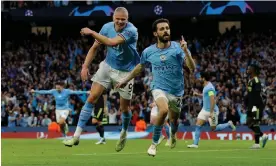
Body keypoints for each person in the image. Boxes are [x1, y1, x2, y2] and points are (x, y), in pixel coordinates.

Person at [63, 7, 140, 152]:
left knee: (124, 108)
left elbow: (112, 43)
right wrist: (85, 66)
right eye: (118, 18)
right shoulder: (106, 27)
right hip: (107, 66)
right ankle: (76, 135)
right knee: (92, 97)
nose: (120, 21)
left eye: (123, 19)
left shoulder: (132, 31)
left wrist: (92, 32)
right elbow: (95, 47)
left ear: (127, 19)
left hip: (125, 72)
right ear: (113, 17)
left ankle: (123, 132)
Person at [116, 18, 196, 156]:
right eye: (162, 29)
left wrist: (187, 51)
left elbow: (192, 68)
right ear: (155, 33)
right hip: (158, 88)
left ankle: (173, 135)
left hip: (177, 91)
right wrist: (125, 80)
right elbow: (139, 67)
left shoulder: (178, 48)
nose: (166, 31)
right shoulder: (148, 52)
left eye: (167, 28)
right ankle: (153, 144)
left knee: (174, 121)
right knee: (163, 109)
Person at [187, 71, 236, 148]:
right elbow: (205, 95)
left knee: (214, 128)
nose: (199, 78)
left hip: (212, 111)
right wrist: (198, 94)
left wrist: (211, 112)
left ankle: (228, 124)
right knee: (198, 124)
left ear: (203, 78)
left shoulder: (210, 88)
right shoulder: (206, 86)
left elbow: (212, 100)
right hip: (204, 110)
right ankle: (195, 144)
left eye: (200, 77)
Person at [245, 62, 268, 149]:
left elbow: (257, 94)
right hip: (251, 105)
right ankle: (263, 135)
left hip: (256, 105)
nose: (247, 69)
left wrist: (254, 106)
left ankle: (257, 144)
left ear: (253, 70)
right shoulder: (250, 80)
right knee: (248, 123)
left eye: (249, 68)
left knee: (255, 122)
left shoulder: (256, 80)